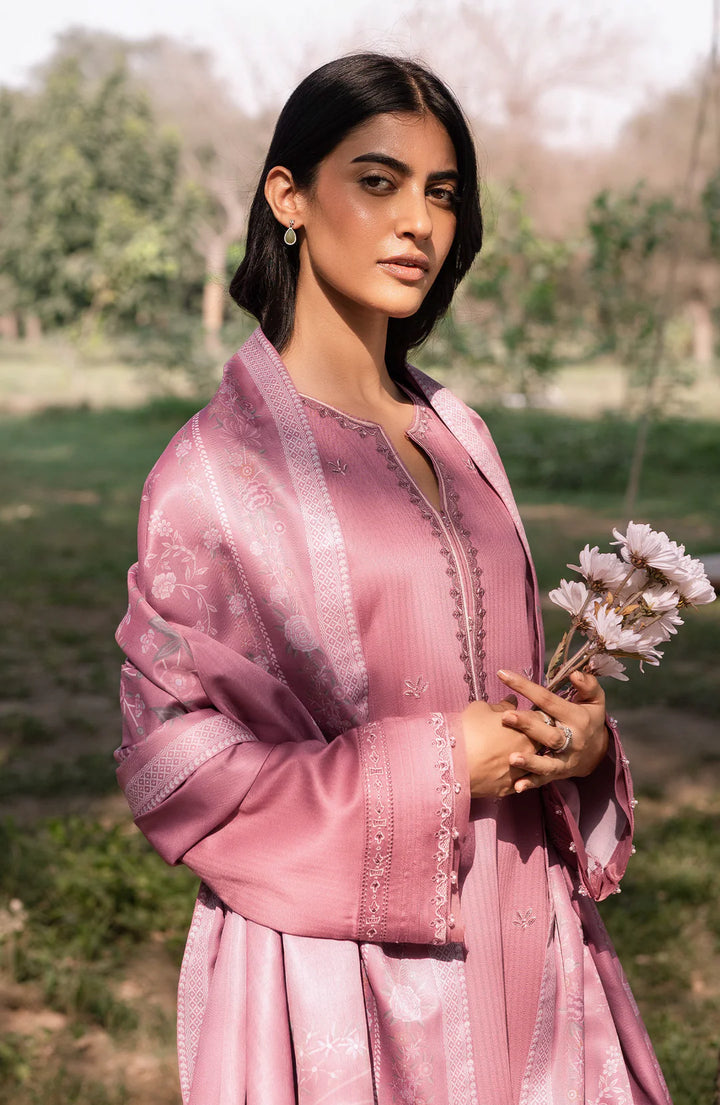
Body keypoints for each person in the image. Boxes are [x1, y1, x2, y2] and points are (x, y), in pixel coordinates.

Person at [115, 53, 672, 1105]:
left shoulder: (458, 432)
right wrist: (437, 764)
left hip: (533, 942)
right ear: (289, 196)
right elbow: (176, 770)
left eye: (442, 194)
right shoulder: (213, 474)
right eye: (379, 181)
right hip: (341, 987)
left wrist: (580, 743)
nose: (418, 221)